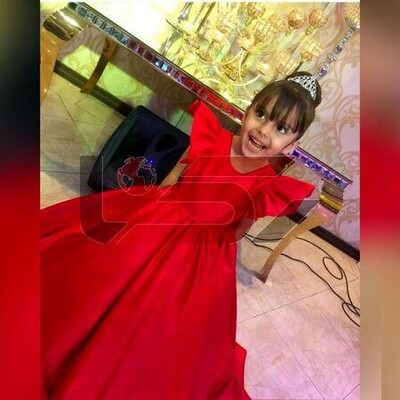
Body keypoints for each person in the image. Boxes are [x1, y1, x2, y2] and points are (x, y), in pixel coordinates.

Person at [41, 71, 321, 400]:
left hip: (202, 251)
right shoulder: (212, 139)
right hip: (162, 216)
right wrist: (146, 209)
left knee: (168, 316)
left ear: (292, 145)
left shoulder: (266, 184)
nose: (263, 130)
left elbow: (238, 231)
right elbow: (173, 177)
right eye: (261, 114)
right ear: (247, 110)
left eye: (281, 129)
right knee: (110, 269)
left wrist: (210, 263)